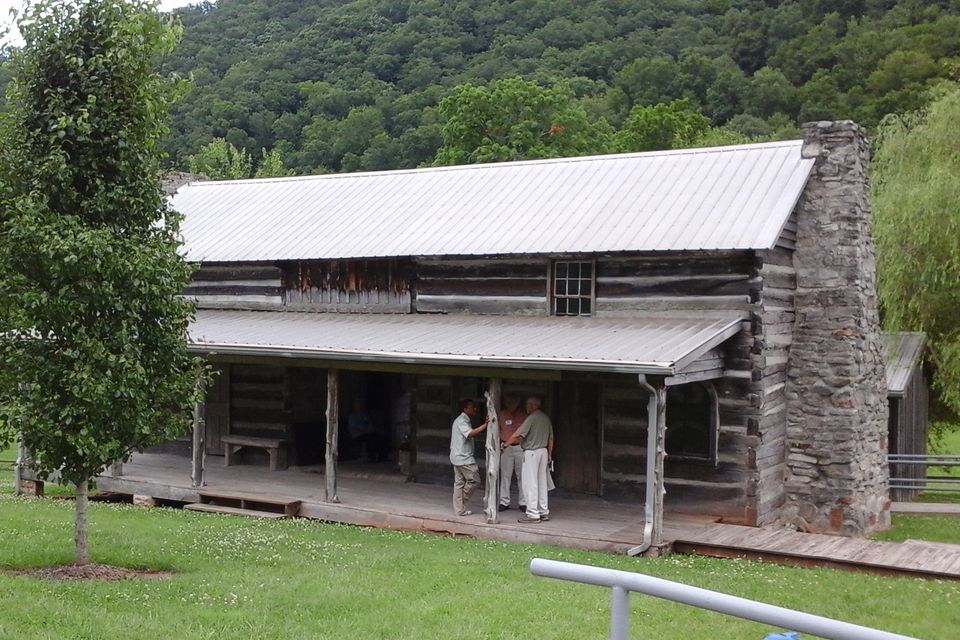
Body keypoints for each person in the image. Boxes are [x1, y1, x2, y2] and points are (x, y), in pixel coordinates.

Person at [506, 396, 554, 523]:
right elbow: (550, 438)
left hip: (532, 453)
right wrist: (549, 455)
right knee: (542, 483)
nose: (526, 407)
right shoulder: (545, 418)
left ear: (533, 405)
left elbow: (517, 434)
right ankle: (543, 511)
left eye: (527, 404)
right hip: (543, 451)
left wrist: (505, 445)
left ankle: (532, 514)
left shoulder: (532, 418)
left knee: (530, 483)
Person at [449, 398, 488, 516]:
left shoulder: (464, 420)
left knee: (459, 483)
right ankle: (460, 502)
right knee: (475, 480)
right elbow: (470, 433)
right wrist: (486, 425)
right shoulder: (461, 420)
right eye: (472, 407)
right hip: (463, 457)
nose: (475, 409)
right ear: (465, 409)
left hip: (457, 456)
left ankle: (459, 509)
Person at [498, 393, 528, 512]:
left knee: (522, 475)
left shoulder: (523, 415)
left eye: (514, 402)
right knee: (505, 475)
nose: (511, 405)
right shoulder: (502, 414)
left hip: (520, 447)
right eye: (509, 402)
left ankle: (523, 502)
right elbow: (496, 429)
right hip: (506, 447)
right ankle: (504, 502)